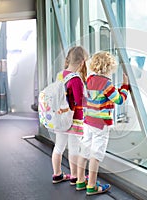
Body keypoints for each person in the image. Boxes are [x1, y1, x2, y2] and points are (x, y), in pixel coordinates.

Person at [76, 51, 129, 195]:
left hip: (88, 122)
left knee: (84, 151)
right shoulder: (107, 83)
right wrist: (125, 86)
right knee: (96, 155)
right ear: (108, 68)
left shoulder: (89, 79)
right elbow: (119, 99)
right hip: (101, 124)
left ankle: (80, 181)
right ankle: (92, 186)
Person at [51, 46, 88, 185]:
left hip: (60, 117)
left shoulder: (60, 74)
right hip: (74, 119)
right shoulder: (76, 79)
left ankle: (57, 174)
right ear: (82, 62)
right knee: (74, 148)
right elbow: (79, 101)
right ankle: (74, 176)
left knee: (59, 147)